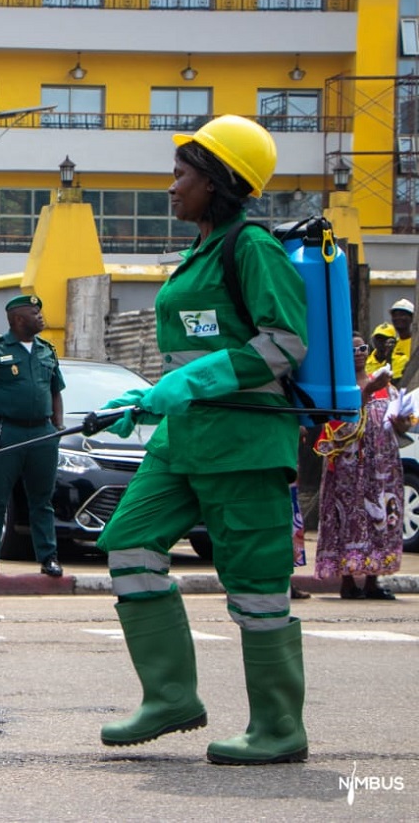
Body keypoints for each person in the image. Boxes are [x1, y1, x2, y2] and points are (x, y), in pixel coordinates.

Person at [95, 115, 310, 765]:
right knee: (129, 542)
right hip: (184, 440)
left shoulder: (252, 248)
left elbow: (284, 344)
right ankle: (170, 697)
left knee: (256, 586)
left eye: (182, 175)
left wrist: (189, 382)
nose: (171, 186)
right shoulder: (201, 252)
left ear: (217, 183)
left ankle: (278, 726)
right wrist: (145, 398)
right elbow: (199, 349)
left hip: (244, 444)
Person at [0, 294, 66, 579]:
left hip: (42, 433)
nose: (41, 317)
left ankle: (49, 558)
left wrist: (57, 426)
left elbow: (55, 390)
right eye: (35, 314)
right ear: (18, 319)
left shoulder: (47, 350)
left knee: (42, 500)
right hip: (7, 430)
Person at [313, 332, 407, 601]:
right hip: (348, 468)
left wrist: (402, 421)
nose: (359, 353)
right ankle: (347, 580)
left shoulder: (385, 386)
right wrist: (364, 394)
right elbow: (334, 429)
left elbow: (401, 424)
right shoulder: (338, 388)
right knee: (349, 518)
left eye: (362, 348)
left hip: (382, 467)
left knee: (379, 517)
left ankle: (373, 580)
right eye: (352, 349)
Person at [388, 298, 413, 381]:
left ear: (412, 318)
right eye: (395, 315)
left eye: (402, 314)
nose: (398, 318)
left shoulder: (415, 343)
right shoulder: (393, 344)